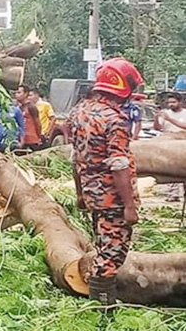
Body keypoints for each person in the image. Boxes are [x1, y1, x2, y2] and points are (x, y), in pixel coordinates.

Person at [70, 58, 143, 305]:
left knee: (102, 246)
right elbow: (119, 165)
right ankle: (102, 310)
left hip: (92, 195)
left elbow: (75, 158)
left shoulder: (80, 112)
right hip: (113, 199)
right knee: (112, 255)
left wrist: (80, 193)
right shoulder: (115, 119)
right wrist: (130, 206)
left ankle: (97, 301)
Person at [154, 92, 186, 201]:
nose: (171, 104)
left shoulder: (184, 113)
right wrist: (156, 118)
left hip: (182, 143)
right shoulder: (166, 113)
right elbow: (158, 128)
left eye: (173, 102)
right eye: (169, 102)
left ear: (180, 102)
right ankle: (173, 194)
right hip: (168, 142)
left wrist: (169, 119)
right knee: (169, 168)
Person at [15, 85, 43, 151]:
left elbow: (37, 123)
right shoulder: (18, 108)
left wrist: (39, 137)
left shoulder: (31, 107)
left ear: (26, 94)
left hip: (31, 141)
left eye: (19, 93)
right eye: (16, 93)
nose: (16, 95)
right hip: (21, 140)